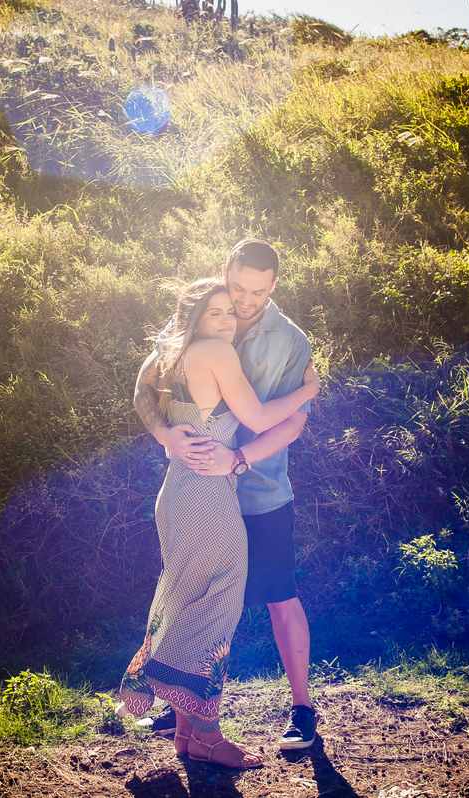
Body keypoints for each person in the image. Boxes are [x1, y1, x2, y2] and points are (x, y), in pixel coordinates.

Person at [119, 277, 319, 769]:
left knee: (188, 601)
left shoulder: (171, 352)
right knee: (214, 611)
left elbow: (141, 390)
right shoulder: (217, 353)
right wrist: (310, 389)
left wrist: (165, 431)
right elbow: (255, 412)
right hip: (209, 497)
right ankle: (207, 734)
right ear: (196, 317)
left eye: (232, 312)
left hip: (178, 494)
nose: (228, 320)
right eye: (216, 312)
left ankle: (187, 733)